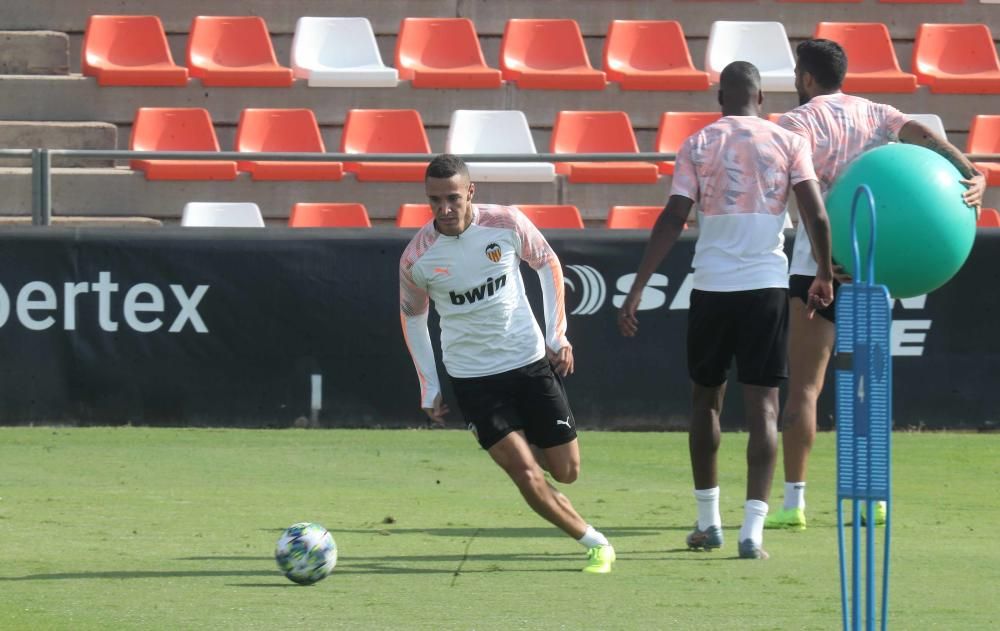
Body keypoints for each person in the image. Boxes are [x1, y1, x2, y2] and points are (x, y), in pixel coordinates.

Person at [765, 39, 987, 531]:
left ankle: (794, 502)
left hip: (817, 266)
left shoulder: (796, 123)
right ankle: (871, 498)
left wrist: (825, 259)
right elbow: (926, 138)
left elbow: (797, 194)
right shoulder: (875, 112)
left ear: (805, 78)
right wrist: (971, 172)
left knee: (805, 387)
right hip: (874, 262)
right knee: (866, 386)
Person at [618, 61, 835, 560]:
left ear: (721, 98)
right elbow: (815, 214)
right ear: (761, 99)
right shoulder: (787, 141)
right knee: (764, 406)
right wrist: (823, 272)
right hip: (766, 289)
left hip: (712, 288)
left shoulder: (697, 143)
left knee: (705, 402)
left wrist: (637, 288)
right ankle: (751, 532)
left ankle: (707, 522)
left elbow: (673, 218)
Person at [399, 154, 616, 574]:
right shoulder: (417, 258)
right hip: (473, 379)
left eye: (453, 198)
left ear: (470, 193)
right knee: (525, 473)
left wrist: (557, 335)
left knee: (566, 471)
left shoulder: (507, 223)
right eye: (435, 200)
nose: (444, 209)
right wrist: (429, 385)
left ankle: (541, 474)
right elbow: (412, 317)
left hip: (528, 363)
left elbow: (547, 263)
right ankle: (595, 542)